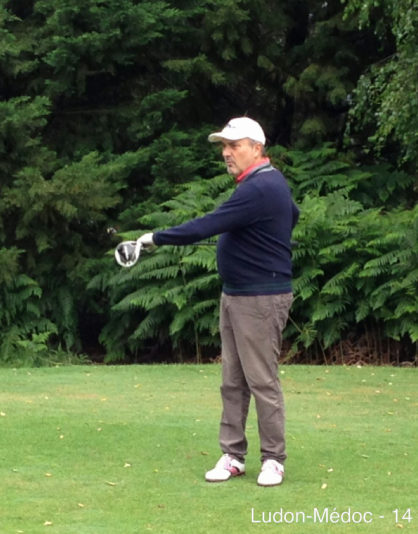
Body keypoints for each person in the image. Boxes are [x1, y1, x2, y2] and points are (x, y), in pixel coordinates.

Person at [136, 117, 299, 487]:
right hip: (237, 294)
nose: (226, 153)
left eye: (234, 145)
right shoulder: (263, 183)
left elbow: (208, 225)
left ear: (256, 148)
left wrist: (155, 238)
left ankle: (273, 460)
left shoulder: (262, 186)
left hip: (261, 297)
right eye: (224, 146)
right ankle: (233, 456)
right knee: (233, 381)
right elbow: (293, 214)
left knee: (261, 381)